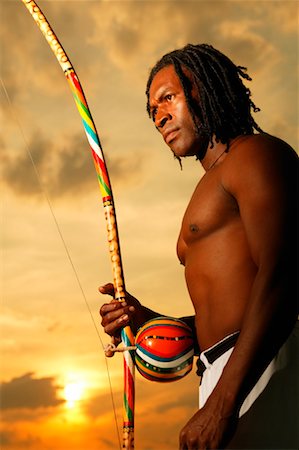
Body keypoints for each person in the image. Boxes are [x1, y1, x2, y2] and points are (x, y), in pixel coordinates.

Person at [99, 44, 298, 449]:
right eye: (153, 111)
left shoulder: (255, 155)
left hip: (260, 367)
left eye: (168, 98)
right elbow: (225, 313)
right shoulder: (211, 182)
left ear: (206, 89)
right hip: (227, 372)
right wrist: (148, 319)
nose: (160, 117)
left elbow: (283, 274)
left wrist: (223, 404)